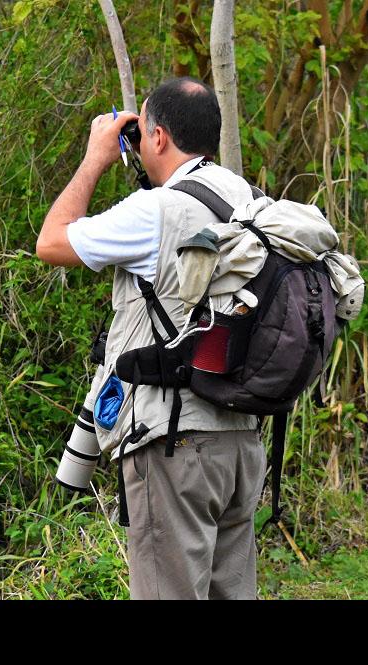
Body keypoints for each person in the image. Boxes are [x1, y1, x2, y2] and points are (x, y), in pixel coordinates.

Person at [36, 77, 267, 600]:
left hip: (174, 443)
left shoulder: (156, 211)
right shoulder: (251, 200)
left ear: (157, 137)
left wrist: (96, 158)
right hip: (240, 440)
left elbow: (51, 242)